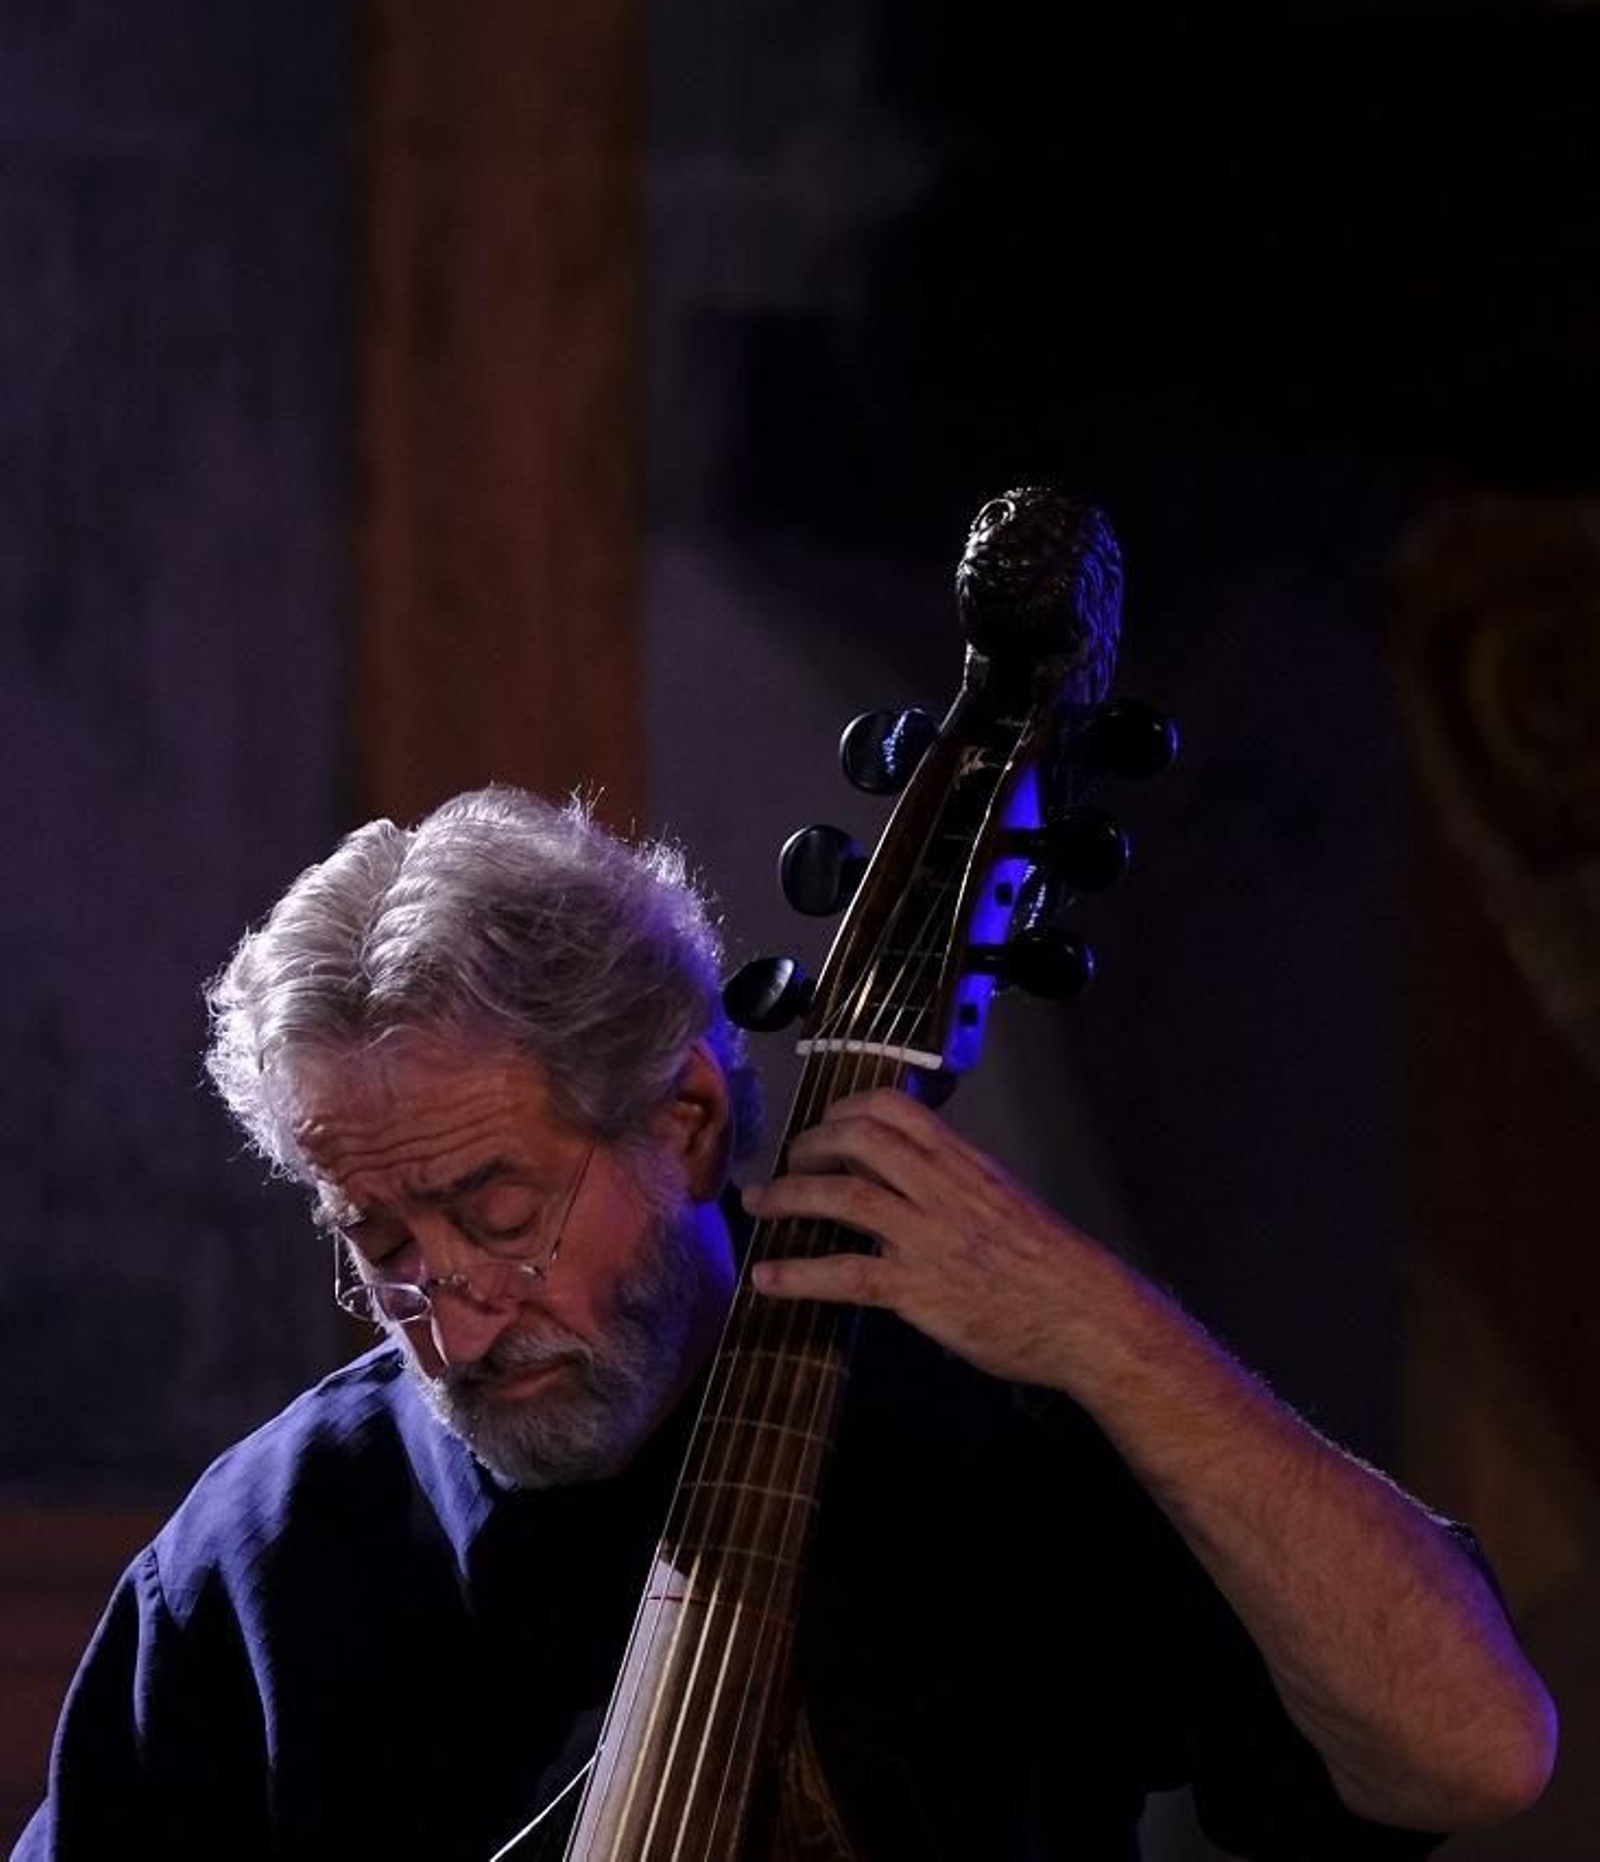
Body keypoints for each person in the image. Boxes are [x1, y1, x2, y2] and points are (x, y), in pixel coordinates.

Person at [15, 783, 1556, 1862]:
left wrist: (1103, 1334)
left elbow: (1474, 1750)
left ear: (683, 1119)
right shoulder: (269, 1549)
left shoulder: (974, 1426)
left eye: (498, 1214)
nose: (458, 1317)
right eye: (378, 1242)